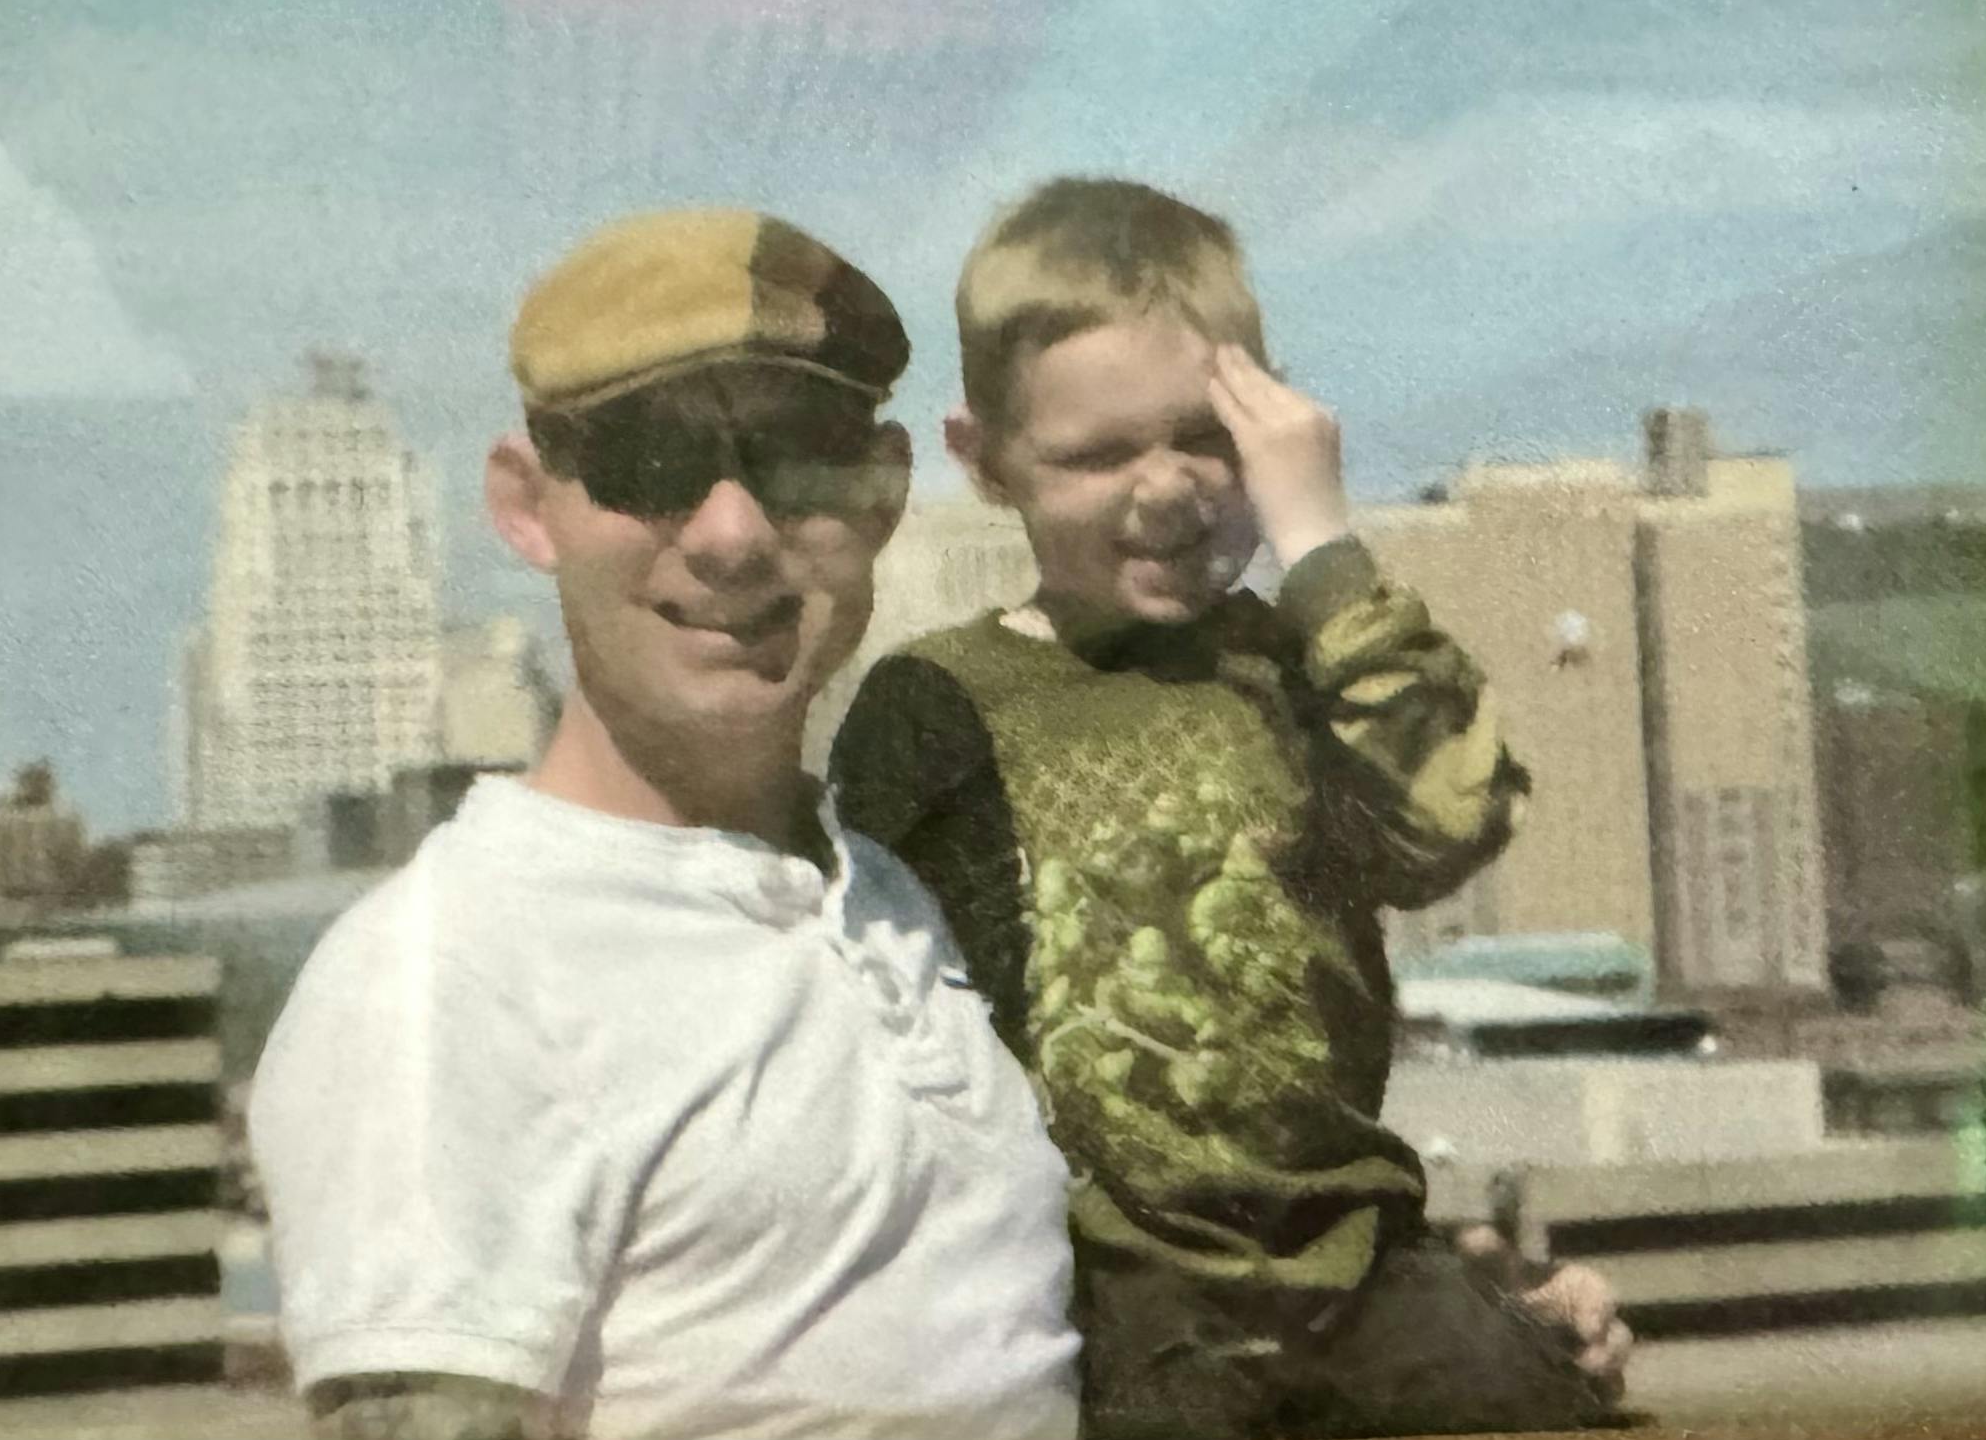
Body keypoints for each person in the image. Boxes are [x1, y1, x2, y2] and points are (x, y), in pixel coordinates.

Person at [251, 208, 1083, 1440]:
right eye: (651, 460)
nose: (732, 533)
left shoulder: (890, 899)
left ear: (886, 493)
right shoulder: (448, 974)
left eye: (798, 457)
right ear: (526, 506)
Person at [830, 177, 1634, 1439]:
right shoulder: (940, 702)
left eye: (1205, 438)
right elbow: (873, 1024)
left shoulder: (1306, 670)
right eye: (1096, 454)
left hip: (1351, 1266)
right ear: (982, 462)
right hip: (1099, 1294)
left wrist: (1317, 543)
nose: (1165, 488)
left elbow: (1445, 820)